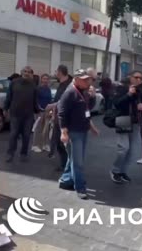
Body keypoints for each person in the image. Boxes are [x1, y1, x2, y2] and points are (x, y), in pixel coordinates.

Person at [58, 69, 99, 199]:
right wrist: (63, 132)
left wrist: (92, 97)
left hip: (83, 131)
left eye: (88, 79)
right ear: (76, 79)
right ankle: (80, 187)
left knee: (73, 158)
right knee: (78, 162)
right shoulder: (70, 93)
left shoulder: (84, 92)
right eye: (84, 79)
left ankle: (66, 180)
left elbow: (87, 109)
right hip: (73, 132)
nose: (88, 81)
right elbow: (62, 114)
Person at [110, 71, 142, 184]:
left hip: (136, 121)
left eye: (141, 78)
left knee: (132, 150)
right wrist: (128, 95)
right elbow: (116, 103)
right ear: (130, 77)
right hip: (123, 119)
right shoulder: (122, 88)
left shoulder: (141, 91)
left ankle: (123, 171)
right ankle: (115, 170)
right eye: (136, 77)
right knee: (123, 148)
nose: (139, 79)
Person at [4, 66, 39, 163]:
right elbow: (9, 96)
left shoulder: (33, 85)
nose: (26, 73)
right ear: (21, 72)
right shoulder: (14, 83)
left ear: (31, 74)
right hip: (15, 114)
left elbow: (35, 100)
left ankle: (23, 154)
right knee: (13, 134)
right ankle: (10, 154)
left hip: (28, 115)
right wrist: (5, 108)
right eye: (25, 71)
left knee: (26, 135)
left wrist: (37, 112)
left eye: (28, 72)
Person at [47, 65, 73, 171]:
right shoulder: (61, 84)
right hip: (58, 117)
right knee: (58, 142)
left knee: (65, 144)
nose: (55, 73)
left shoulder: (70, 85)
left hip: (66, 119)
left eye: (56, 71)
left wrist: (53, 105)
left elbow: (66, 100)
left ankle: (68, 165)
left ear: (61, 72)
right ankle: (63, 164)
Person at [32, 73, 53, 153]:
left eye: (47, 79)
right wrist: (40, 109)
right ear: (41, 80)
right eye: (44, 79)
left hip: (47, 111)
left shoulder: (48, 89)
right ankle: (35, 145)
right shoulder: (38, 89)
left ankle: (45, 145)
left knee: (46, 129)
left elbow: (50, 100)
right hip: (39, 112)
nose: (45, 80)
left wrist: (50, 110)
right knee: (38, 128)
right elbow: (36, 100)